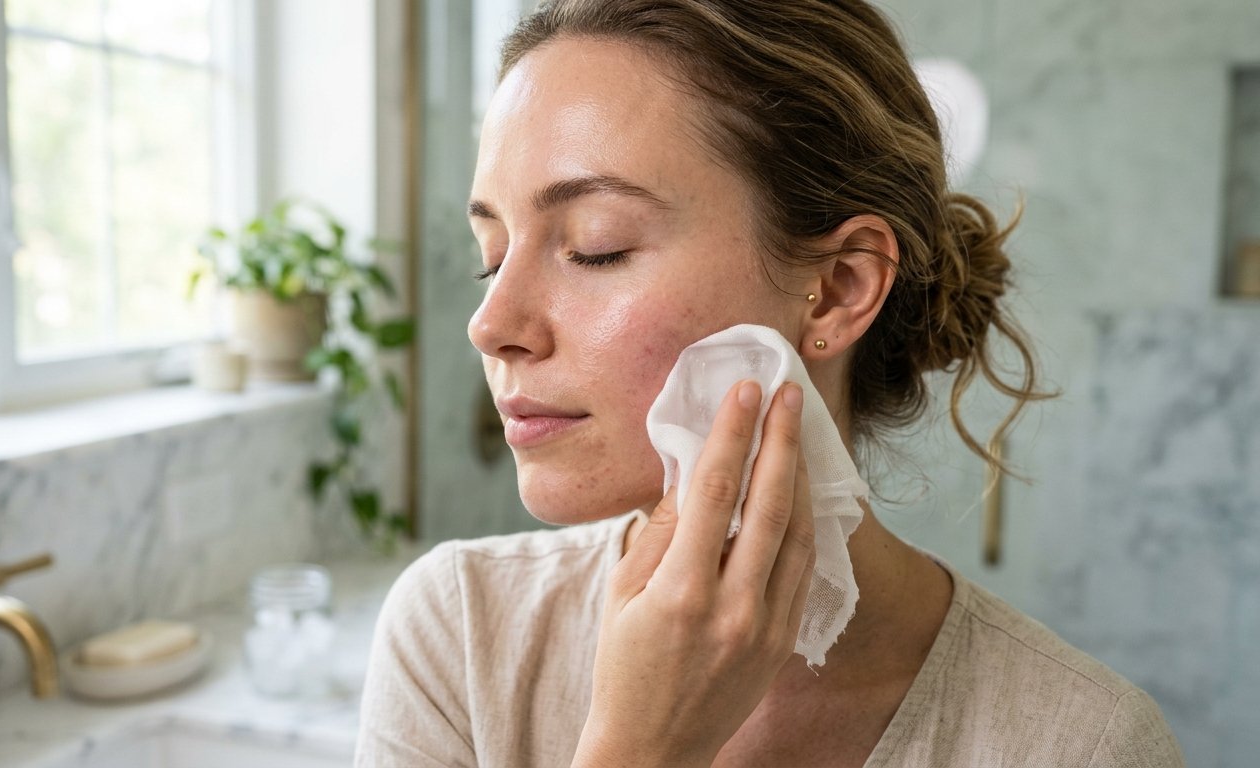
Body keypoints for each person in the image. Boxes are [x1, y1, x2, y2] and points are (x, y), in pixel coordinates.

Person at [356, 1, 1186, 765]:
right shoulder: (459, 632)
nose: (491, 323)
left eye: (596, 246)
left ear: (838, 286)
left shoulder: (1085, 743)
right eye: (491, 257)